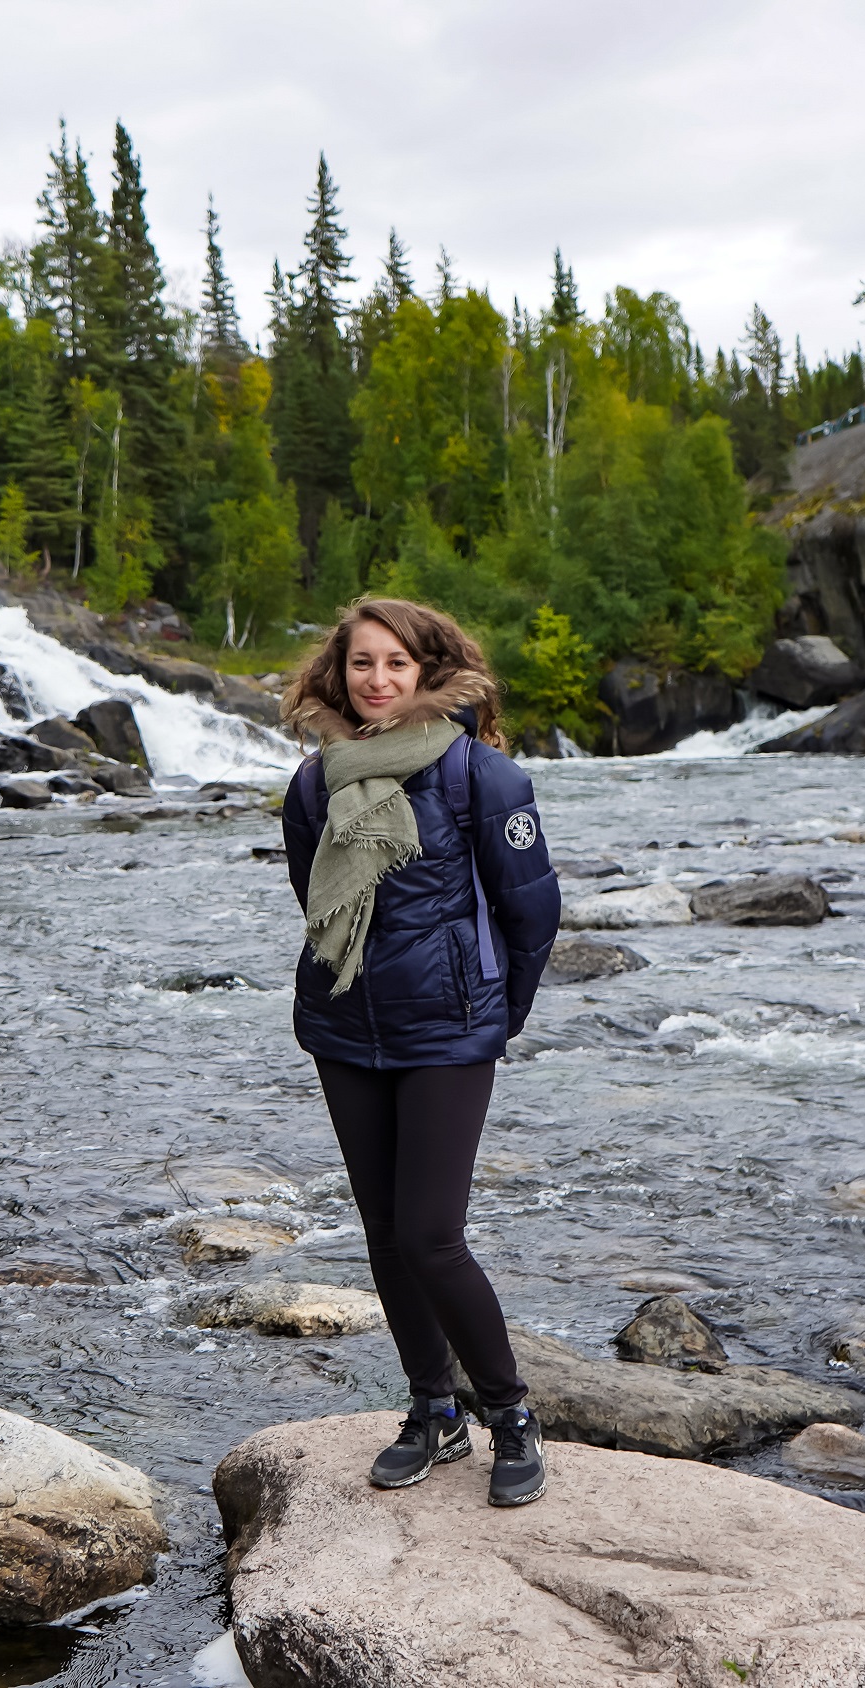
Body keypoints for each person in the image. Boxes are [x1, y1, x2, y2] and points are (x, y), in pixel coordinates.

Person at [278, 598, 561, 1505]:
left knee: (434, 1237)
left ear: (431, 672)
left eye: (398, 664)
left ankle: (510, 1415)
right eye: (363, 663)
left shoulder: (486, 778)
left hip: (449, 1029)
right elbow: (312, 900)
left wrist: (496, 1015)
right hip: (344, 1027)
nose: (378, 680)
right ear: (340, 674)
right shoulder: (315, 784)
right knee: (387, 1237)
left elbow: (531, 913)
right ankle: (432, 1409)